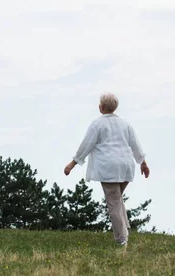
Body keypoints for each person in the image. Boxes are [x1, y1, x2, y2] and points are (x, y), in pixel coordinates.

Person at [64, 92, 149, 247]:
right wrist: (143, 162)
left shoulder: (98, 124)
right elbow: (135, 144)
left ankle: (121, 238)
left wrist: (72, 163)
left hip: (108, 167)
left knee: (114, 202)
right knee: (117, 198)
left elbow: (86, 145)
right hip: (126, 167)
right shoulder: (125, 124)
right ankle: (125, 229)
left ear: (100, 107)